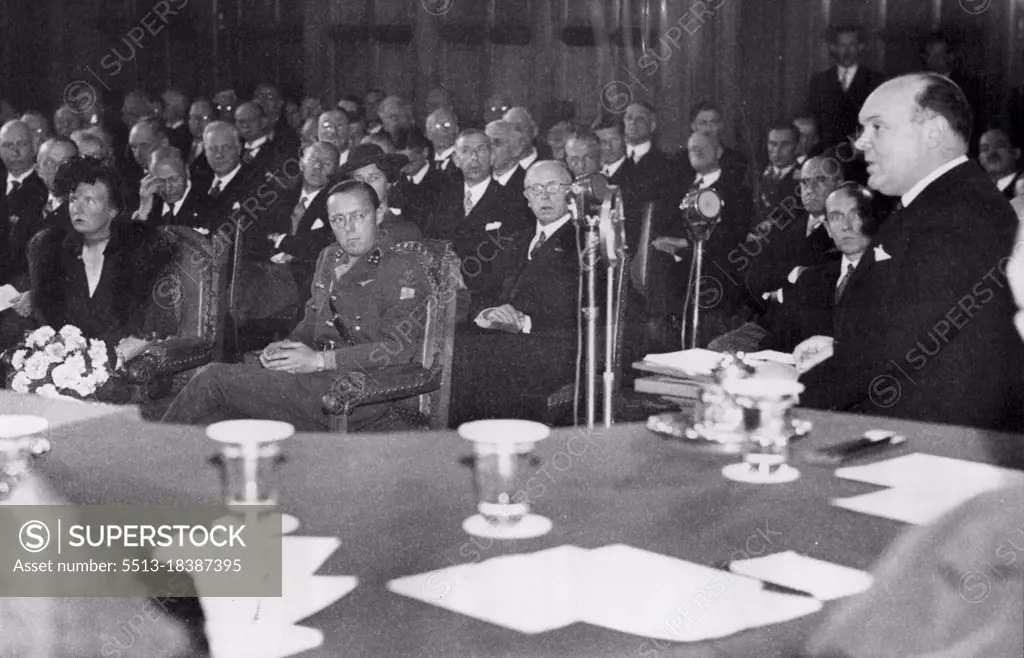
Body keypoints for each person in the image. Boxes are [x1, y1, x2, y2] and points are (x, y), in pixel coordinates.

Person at [798, 73, 1024, 430]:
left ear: (932, 132)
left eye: (877, 127)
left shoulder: (962, 212)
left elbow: (896, 346)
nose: (861, 144)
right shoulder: (933, 203)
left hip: (936, 446)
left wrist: (782, 396)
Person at [160, 180, 433, 432]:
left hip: (359, 392)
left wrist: (319, 361)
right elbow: (312, 320)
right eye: (338, 219)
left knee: (213, 379)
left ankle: (152, 451)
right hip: (315, 381)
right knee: (220, 413)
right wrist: (285, 349)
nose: (348, 229)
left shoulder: (402, 268)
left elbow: (396, 349)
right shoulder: (330, 257)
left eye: (358, 216)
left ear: (379, 213)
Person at [449, 161, 582, 425]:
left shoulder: (584, 241)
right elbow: (483, 291)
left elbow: (586, 308)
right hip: (506, 339)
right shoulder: (516, 241)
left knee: (476, 356)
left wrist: (525, 321)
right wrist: (488, 312)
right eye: (535, 189)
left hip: (556, 346)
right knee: (453, 343)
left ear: (572, 192)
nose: (544, 195)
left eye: (553, 186)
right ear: (526, 198)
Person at [25, 156, 176, 368]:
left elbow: (152, 328)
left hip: (120, 368)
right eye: (74, 199)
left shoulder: (139, 253)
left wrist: (105, 365)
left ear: (112, 211)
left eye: (90, 200)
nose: (78, 208)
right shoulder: (52, 252)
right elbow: (47, 326)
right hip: (65, 368)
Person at [712, 182, 877, 354]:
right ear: (827, 228)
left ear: (871, 220)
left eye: (855, 215)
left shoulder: (892, 275)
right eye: (836, 217)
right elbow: (779, 341)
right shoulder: (811, 279)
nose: (845, 226)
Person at [806, 25, 884, 149]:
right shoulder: (819, 81)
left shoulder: (875, 80)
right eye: (842, 46)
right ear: (834, 48)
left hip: (861, 154)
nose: (846, 51)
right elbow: (813, 118)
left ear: (860, 47)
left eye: (851, 45)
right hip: (828, 153)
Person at [336, 143, 422, 244]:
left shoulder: (405, 231)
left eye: (373, 177)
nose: (365, 184)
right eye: (358, 178)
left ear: (389, 182)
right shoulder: (340, 228)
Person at [134, 147, 201, 226]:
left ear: (187, 171)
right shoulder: (148, 202)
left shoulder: (205, 205)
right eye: (160, 181)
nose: (167, 187)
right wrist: (143, 211)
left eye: (173, 179)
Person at [977, 125, 1021, 200]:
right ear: (980, 159)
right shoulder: (977, 194)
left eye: (999, 145)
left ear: (1016, 153)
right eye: (984, 149)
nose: (991, 152)